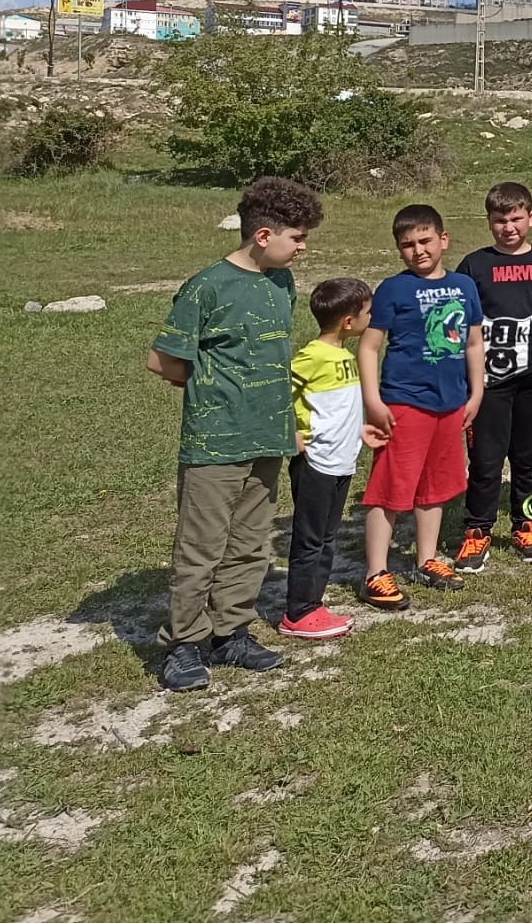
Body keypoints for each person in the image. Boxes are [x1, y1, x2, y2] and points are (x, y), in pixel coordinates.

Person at [147, 176, 324, 691]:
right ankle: (183, 645)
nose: (303, 247)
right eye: (298, 237)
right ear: (264, 235)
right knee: (201, 546)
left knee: (249, 545)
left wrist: (283, 423)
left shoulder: (281, 283)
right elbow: (164, 361)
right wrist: (218, 396)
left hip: (268, 436)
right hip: (215, 441)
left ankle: (231, 634)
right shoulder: (207, 286)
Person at [358, 204, 486, 613]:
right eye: (407, 245)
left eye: (425, 241)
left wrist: (476, 392)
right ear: (399, 250)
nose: (418, 251)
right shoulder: (393, 290)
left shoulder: (465, 286)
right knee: (392, 487)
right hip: (404, 402)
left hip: (451, 403)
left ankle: (427, 559)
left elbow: (472, 343)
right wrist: (373, 401)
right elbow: (369, 346)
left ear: (443, 240)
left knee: (436, 485)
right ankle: (375, 573)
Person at [453, 181, 532, 572]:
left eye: (516, 218)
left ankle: (526, 525)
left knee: (529, 456)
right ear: (489, 221)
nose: (509, 227)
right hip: (488, 379)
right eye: (500, 220)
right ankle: (477, 532)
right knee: (486, 459)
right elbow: (459, 322)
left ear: (531, 218)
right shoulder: (474, 265)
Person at [280, 276, 374, 641]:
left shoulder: (344, 354)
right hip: (316, 462)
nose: (372, 316)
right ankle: (297, 612)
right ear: (348, 322)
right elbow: (279, 394)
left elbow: (339, 408)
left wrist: (359, 431)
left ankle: (313, 605)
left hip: (341, 460)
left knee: (327, 537)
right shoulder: (312, 355)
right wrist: (290, 433)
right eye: (367, 312)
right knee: (309, 539)